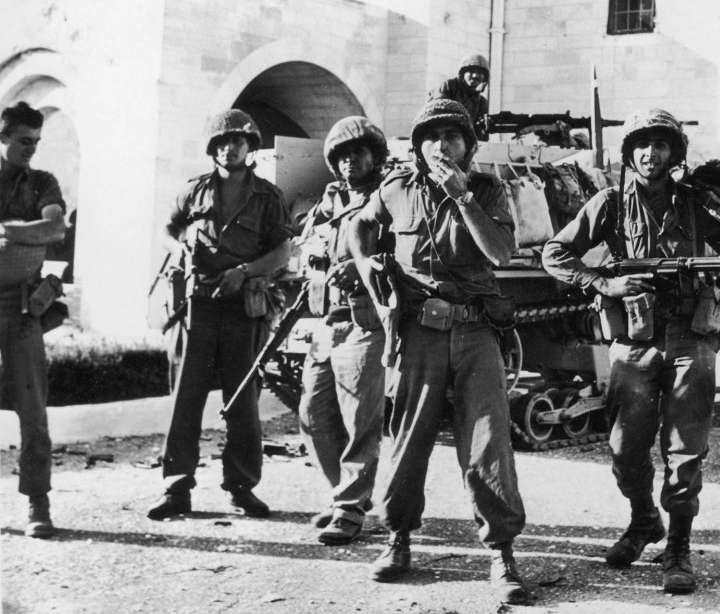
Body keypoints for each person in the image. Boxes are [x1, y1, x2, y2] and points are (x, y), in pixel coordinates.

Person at [541, 108, 720, 594]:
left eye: (660, 144)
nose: (649, 153)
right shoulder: (610, 203)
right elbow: (555, 253)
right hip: (634, 338)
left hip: (689, 336)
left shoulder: (697, 203)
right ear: (629, 151)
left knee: (684, 448)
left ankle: (677, 545)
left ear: (674, 153)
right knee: (623, 448)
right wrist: (604, 281)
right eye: (642, 143)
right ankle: (643, 522)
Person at [347, 99, 528, 605]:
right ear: (418, 146)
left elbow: (501, 253)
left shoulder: (490, 190)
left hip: (475, 332)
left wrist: (463, 198)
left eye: (452, 137)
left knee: (488, 442)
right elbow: (358, 226)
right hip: (419, 334)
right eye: (431, 137)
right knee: (409, 437)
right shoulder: (396, 189)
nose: (441, 146)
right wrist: (370, 272)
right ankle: (398, 538)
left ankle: (502, 552)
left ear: (468, 146)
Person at [147, 109, 293, 520]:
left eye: (238, 142)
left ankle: (241, 486)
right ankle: (176, 487)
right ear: (213, 149)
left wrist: (245, 272)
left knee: (243, 398)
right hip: (198, 306)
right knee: (186, 398)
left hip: (244, 306)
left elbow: (282, 251)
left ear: (251, 148)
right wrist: (179, 250)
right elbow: (168, 230)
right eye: (222, 143)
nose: (230, 149)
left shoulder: (268, 196)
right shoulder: (193, 191)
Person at [296, 116, 387, 545]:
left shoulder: (389, 197)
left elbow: (408, 252)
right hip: (325, 321)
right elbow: (307, 245)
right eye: (343, 155)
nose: (351, 161)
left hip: (364, 320)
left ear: (375, 156)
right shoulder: (329, 202)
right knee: (313, 414)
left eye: (359, 152)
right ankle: (341, 495)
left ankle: (350, 508)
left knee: (360, 422)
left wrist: (364, 264)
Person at [0, 101, 67, 539]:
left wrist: (6, 230)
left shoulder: (42, 182)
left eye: (37, 142)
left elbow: (55, 229)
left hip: (21, 307)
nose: (31, 150)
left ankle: (36, 503)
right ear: (3, 137)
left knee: (33, 410)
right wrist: (25, 228)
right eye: (24, 141)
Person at [430, 53, 490, 141]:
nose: (475, 76)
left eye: (480, 72)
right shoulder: (447, 87)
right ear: (463, 73)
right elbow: (437, 119)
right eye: (471, 71)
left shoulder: (482, 102)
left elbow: (481, 138)